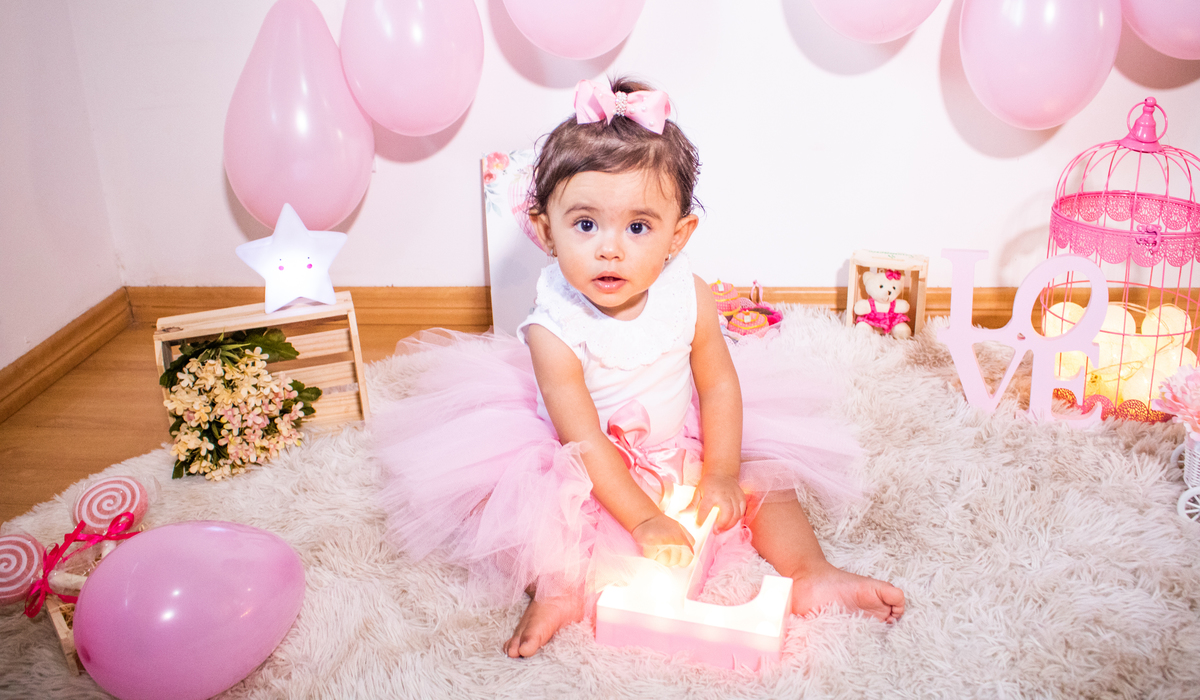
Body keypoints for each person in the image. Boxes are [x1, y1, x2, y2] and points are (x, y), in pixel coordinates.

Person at [374, 76, 904, 661]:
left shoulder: (689, 295)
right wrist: (646, 518)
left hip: (679, 441)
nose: (610, 249)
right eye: (585, 224)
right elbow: (584, 441)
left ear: (678, 235)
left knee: (766, 481)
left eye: (637, 227)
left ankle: (810, 573)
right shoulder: (553, 330)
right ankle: (557, 595)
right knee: (554, 527)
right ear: (546, 230)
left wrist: (721, 472)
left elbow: (719, 386)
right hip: (590, 462)